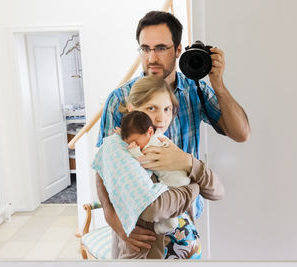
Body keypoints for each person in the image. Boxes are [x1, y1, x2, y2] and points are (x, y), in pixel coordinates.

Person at [97, 10, 250, 257]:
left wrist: (218, 85)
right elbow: (104, 169)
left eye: (160, 48)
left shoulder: (194, 90)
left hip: (183, 224)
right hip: (136, 230)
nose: (151, 57)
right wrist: (118, 224)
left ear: (178, 50)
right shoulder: (120, 99)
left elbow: (241, 133)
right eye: (145, 49)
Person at [95, 76, 224, 259]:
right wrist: (193, 189)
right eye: (151, 108)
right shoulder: (120, 151)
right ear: (132, 109)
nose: (161, 118)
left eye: (167, 109)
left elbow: (217, 192)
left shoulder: (167, 146)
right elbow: (154, 208)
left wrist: (188, 161)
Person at [121, 110, 191, 235]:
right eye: (130, 143)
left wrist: (135, 152)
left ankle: (165, 226)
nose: (134, 145)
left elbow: (146, 162)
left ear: (150, 132)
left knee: (165, 206)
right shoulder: (158, 137)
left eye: (136, 142)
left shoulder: (152, 145)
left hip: (174, 182)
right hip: (181, 179)